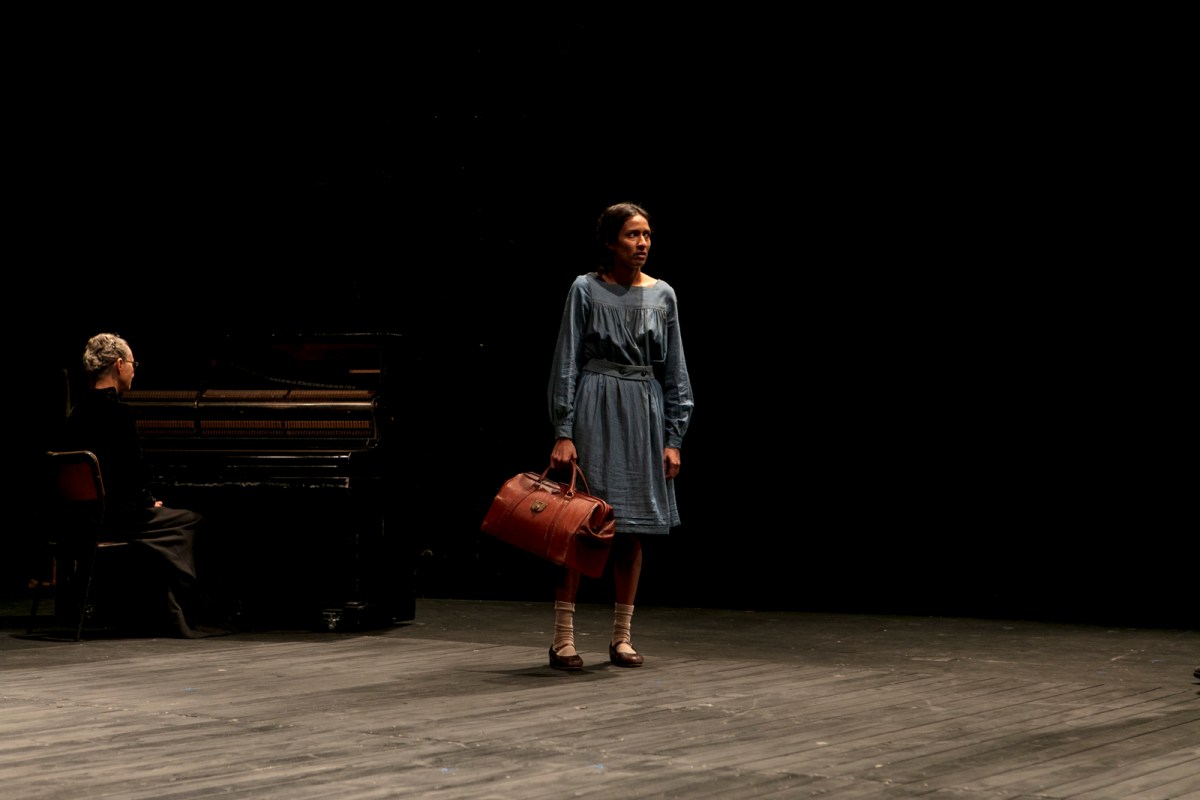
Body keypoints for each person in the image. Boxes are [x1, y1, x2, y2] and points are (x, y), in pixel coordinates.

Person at [545, 202, 694, 669]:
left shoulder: (663, 294)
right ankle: (563, 638)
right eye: (632, 234)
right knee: (581, 524)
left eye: (647, 234)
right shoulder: (585, 288)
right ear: (611, 241)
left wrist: (673, 439)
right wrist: (563, 430)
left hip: (643, 413)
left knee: (633, 532)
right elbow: (566, 361)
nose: (642, 243)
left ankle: (622, 637)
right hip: (595, 406)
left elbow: (676, 373)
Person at [60, 332, 229, 638]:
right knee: (195, 521)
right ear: (119, 365)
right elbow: (129, 473)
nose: (134, 371)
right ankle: (195, 611)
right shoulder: (119, 414)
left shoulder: (75, 414)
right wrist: (148, 502)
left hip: (79, 519)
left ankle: (148, 607)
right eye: (133, 364)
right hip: (116, 518)